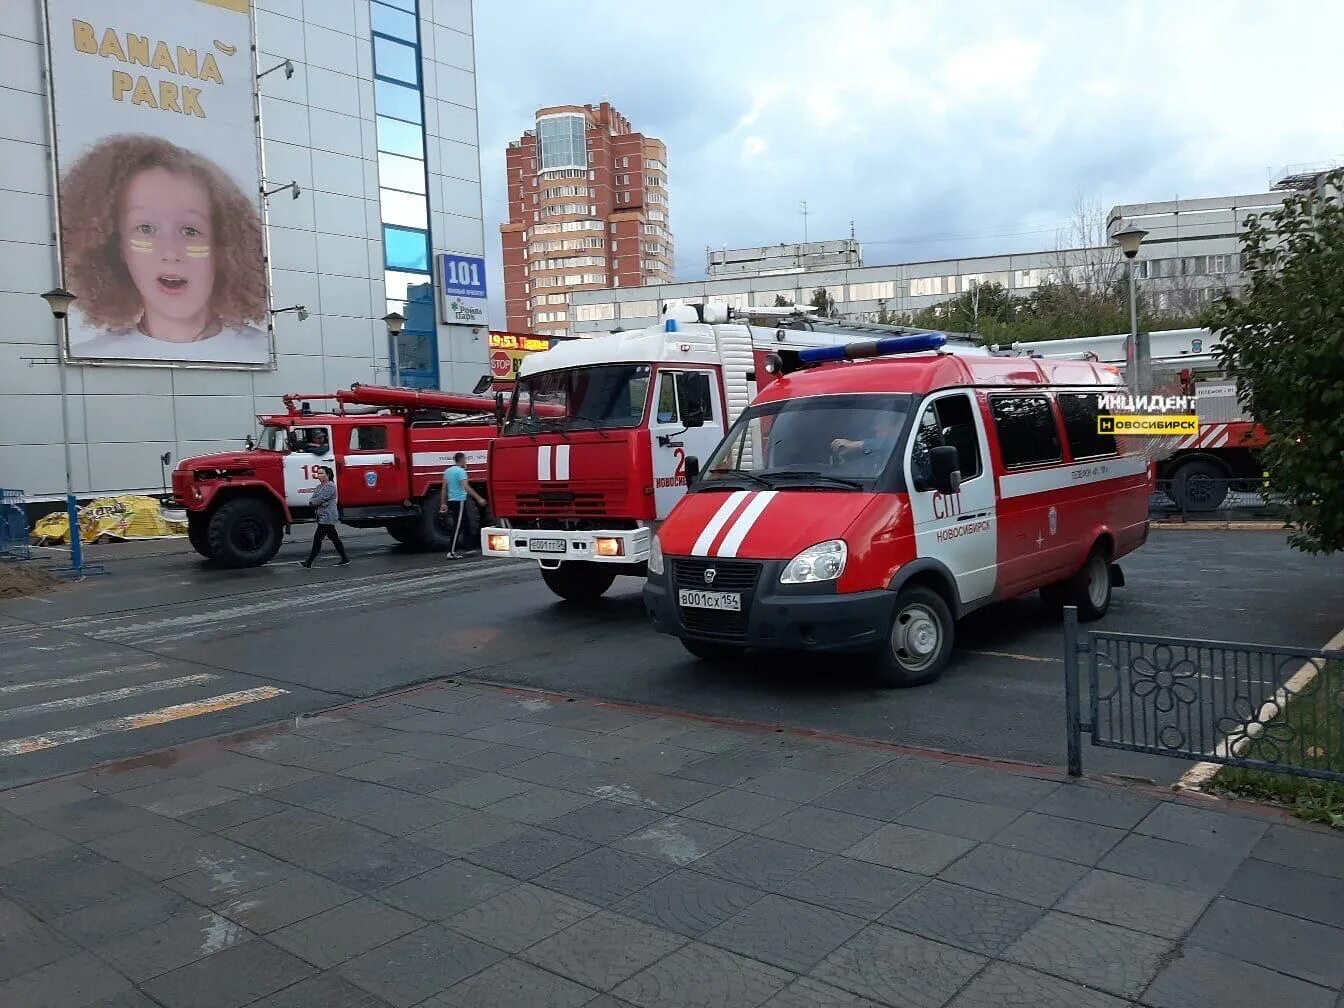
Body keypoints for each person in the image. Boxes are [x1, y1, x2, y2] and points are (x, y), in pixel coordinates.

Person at [59, 134, 269, 363]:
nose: (170, 253)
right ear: (118, 248)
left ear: (223, 248)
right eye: (145, 228)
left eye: (190, 231)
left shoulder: (263, 353)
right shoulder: (90, 359)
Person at [439, 453, 487, 558]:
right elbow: (466, 487)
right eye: (465, 459)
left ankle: (469, 548)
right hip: (459, 500)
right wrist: (479, 498)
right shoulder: (461, 472)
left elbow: (443, 488)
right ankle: (451, 551)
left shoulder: (448, 471)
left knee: (466, 524)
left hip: (452, 500)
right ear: (461, 460)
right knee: (458, 526)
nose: (466, 461)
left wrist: (443, 503)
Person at [300, 466, 349, 568]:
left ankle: (309, 562)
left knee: (318, 538)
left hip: (328, 516)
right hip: (322, 515)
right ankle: (345, 558)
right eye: (318, 474)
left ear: (328, 475)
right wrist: (318, 502)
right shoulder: (319, 487)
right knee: (334, 538)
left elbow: (320, 499)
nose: (319, 476)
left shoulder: (330, 486)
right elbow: (313, 499)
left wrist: (318, 502)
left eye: (321, 473)